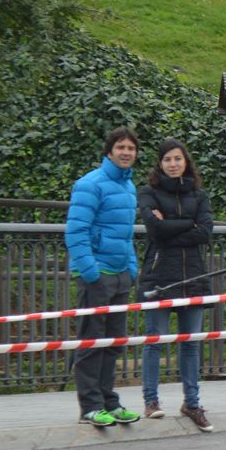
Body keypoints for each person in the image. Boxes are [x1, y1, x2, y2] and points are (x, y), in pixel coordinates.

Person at [66, 127, 142, 427]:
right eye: (121, 147)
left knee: (114, 343)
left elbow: (126, 235)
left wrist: (131, 267)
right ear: (109, 152)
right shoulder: (90, 184)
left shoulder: (129, 187)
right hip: (97, 275)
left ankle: (110, 401)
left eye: (131, 148)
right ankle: (90, 406)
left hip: (121, 275)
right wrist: (89, 272)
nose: (126, 152)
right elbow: (76, 230)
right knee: (91, 342)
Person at [137, 137, 214, 432]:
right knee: (154, 340)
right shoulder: (148, 192)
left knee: (191, 343)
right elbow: (154, 229)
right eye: (167, 159)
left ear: (186, 161)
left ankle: (192, 403)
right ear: (160, 163)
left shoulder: (199, 194)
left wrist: (172, 224)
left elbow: (206, 232)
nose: (173, 164)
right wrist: (188, 224)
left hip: (193, 277)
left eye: (177, 159)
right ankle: (151, 401)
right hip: (159, 275)